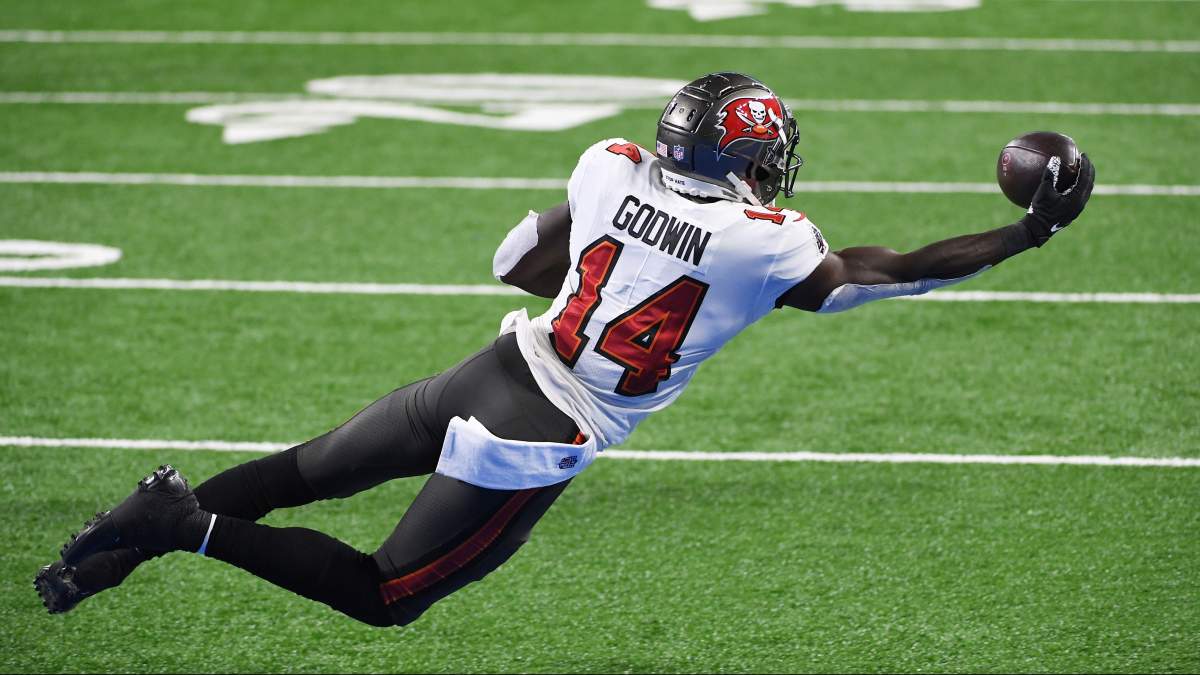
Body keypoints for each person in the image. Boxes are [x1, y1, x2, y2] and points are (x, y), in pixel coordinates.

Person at [36, 72, 1094, 627]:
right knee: (384, 593)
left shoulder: (608, 163)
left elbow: (521, 262)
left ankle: (112, 553)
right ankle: (178, 525)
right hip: (543, 426)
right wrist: (1025, 233)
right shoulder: (763, 241)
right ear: (742, 157)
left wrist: (620, 267)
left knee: (298, 472)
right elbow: (873, 274)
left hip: (493, 366)